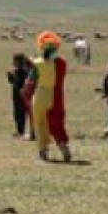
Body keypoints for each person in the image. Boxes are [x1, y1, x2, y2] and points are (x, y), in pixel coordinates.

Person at [26, 32, 71, 163]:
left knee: (40, 123)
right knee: (56, 123)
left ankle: (43, 152)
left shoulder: (37, 63)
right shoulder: (61, 63)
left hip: (40, 95)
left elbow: (30, 81)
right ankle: (63, 147)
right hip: (55, 97)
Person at [7, 53, 31, 138]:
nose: (13, 62)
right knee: (17, 114)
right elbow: (14, 82)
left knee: (21, 114)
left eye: (14, 61)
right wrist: (10, 77)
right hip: (16, 95)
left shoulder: (23, 71)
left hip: (21, 95)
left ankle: (21, 131)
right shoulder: (16, 70)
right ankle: (19, 131)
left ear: (19, 61)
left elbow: (22, 82)